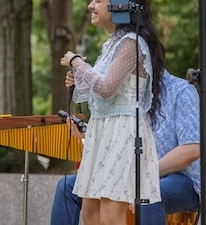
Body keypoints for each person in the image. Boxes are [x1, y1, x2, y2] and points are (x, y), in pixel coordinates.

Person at [58, 0, 167, 225]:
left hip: (123, 131)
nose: (90, 6)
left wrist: (77, 62)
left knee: (110, 216)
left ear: (118, 7)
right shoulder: (111, 44)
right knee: (89, 212)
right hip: (103, 130)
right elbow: (98, 88)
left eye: (98, 0)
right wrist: (79, 80)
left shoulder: (131, 42)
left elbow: (107, 88)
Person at [50, 70, 200, 224]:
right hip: (132, 173)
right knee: (67, 186)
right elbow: (121, 139)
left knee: (147, 193)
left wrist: (142, 177)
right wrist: (91, 133)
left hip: (183, 179)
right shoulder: (130, 93)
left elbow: (192, 149)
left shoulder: (182, 91)